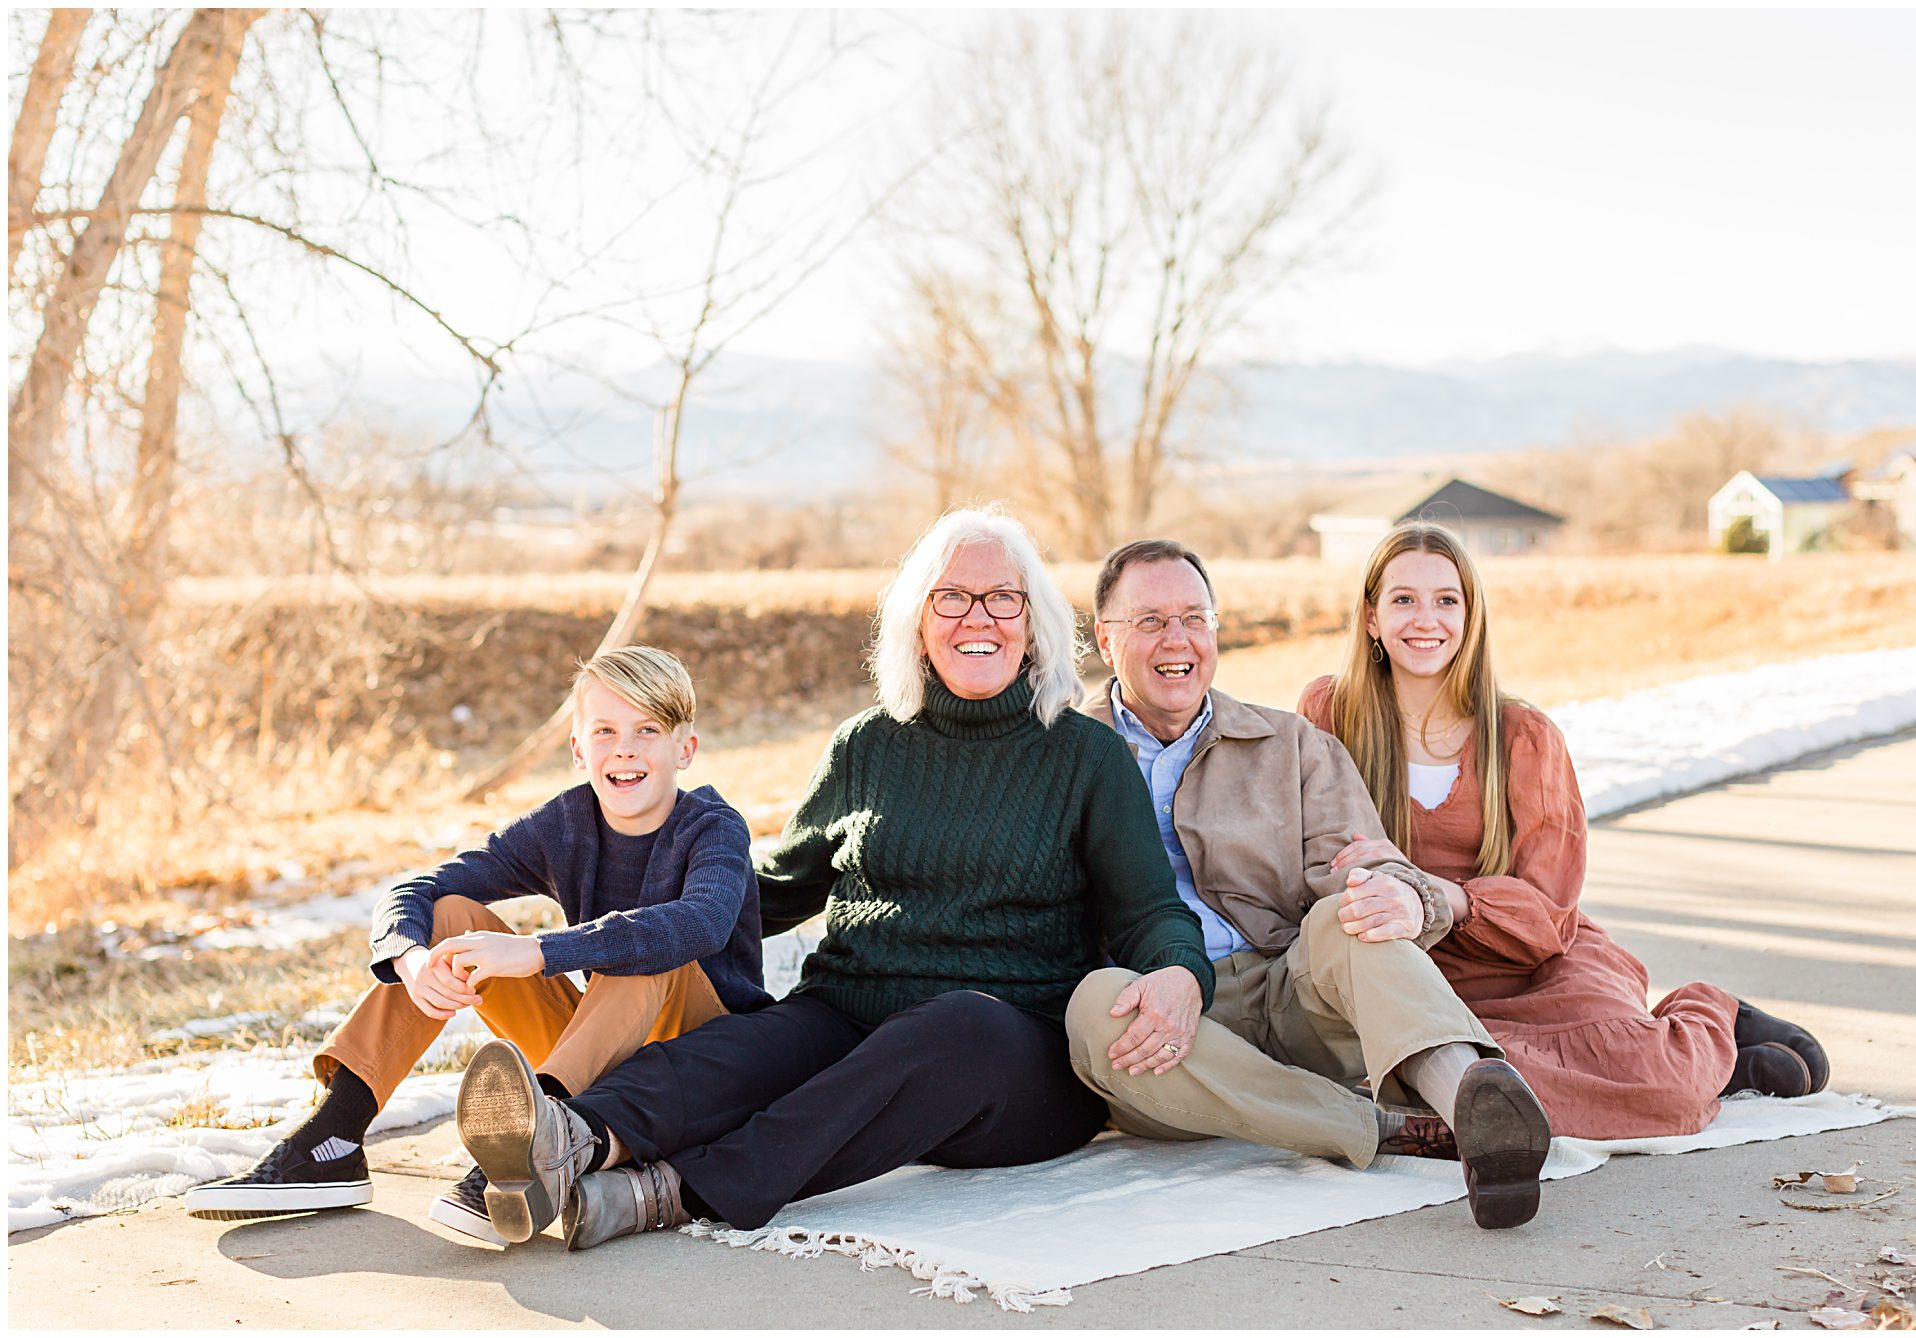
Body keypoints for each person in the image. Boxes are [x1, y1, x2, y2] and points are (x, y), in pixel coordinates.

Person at [450, 507, 1216, 1250]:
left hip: (1013, 1061)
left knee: (956, 1025)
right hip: (848, 1016)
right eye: (950, 597)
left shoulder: (1084, 756)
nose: (976, 617)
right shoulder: (866, 746)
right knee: (742, 1051)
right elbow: (777, 886)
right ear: (918, 621)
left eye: (1001, 598)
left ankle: (673, 1191)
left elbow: (1151, 911)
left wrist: (1182, 972)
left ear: (1034, 621)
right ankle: (573, 1139)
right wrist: (664, 904)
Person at [186, 646, 765, 1243]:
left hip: (707, 1064)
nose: (624, 748)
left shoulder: (713, 826)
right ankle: (334, 1136)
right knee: (451, 916)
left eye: (648, 730)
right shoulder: (566, 824)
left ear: (685, 749)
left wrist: (537, 952)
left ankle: (534, 1146)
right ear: (578, 747)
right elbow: (419, 889)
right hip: (605, 1055)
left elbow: (700, 924)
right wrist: (410, 961)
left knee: (640, 947)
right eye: (605, 730)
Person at [1067, 539, 1552, 1230]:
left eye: (1194, 618)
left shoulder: (1289, 744)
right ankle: (1378, 1127)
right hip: (1166, 1028)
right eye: (1150, 621)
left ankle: (1472, 1098)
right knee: (1094, 1004)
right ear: (1105, 641)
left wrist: (1399, 892)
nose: (1178, 640)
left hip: (1288, 992)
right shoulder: (1064, 754)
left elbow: (1360, 861)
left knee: (1353, 914)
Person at [1298, 522, 1831, 1140]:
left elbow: (1550, 913)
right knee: (1450, 1078)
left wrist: (1438, 896)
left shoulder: (1523, 735)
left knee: (1651, 1082)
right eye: (1403, 599)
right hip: (1407, 970)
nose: (1427, 619)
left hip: (1531, 960)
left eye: (1447, 600)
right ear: (1371, 618)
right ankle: (1701, 1066)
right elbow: (1316, 856)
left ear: (1471, 618)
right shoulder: (1330, 713)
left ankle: (1708, 1021)